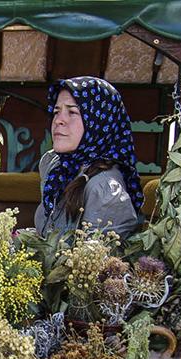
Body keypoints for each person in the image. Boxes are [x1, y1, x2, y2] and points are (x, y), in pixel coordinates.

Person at [34, 76, 143, 239]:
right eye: (56, 111)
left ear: (99, 121)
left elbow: (93, 261)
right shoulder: (56, 166)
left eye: (72, 112)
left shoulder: (104, 188)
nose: (58, 120)